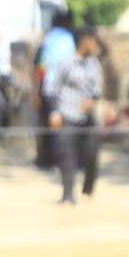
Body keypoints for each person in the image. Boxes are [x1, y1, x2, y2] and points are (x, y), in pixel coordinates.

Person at [45, 27, 103, 205]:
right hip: (68, 114)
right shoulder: (66, 63)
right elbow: (52, 90)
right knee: (67, 155)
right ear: (83, 41)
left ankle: (88, 189)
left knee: (92, 154)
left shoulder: (93, 63)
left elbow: (97, 88)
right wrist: (54, 113)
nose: (94, 44)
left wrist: (92, 101)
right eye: (92, 40)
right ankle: (68, 195)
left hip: (88, 117)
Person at [33, 12, 74, 169]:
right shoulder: (69, 39)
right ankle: (60, 161)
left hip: (49, 89)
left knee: (50, 126)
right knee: (61, 127)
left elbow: (40, 66)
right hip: (65, 91)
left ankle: (51, 161)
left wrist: (37, 91)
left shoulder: (48, 39)